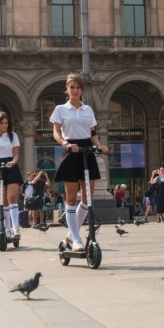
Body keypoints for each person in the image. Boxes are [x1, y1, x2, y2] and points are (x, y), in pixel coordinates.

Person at [50, 73, 108, 252]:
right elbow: (56, 133)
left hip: (86, 151)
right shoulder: (61, 109)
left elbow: (92, 133)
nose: (75, 90)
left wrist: (99, 146)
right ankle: (75, 238)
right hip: (71, 150)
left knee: (87, 197)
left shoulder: (87, 110)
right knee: (71, 198)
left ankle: (71, 232)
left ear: (82, 90)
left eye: (77, 87)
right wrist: (66, 144)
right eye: (71, 87)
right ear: (67, 90)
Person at [0, 112, 24, 238]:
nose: (5, 125)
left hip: (10, 166)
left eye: (6, 123)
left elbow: (16, 154)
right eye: (2, 123)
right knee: (4, 200)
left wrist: (12, 162)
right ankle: (7, 228)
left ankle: (16, 228)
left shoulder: (13, 136)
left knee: (12, 197)